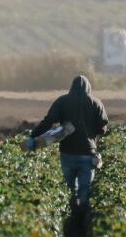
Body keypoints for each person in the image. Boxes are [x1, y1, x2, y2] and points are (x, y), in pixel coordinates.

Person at [31, 75, 108, 212]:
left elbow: (48, 121)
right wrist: (91, 134)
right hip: (87, 153)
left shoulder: (62, 101)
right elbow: (102, 128)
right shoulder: (96, 103)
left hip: (67, 153)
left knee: (70, 188)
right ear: (89, 88)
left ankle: (71, 215)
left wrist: (34, 136)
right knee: (85, 188)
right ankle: (81, 219)